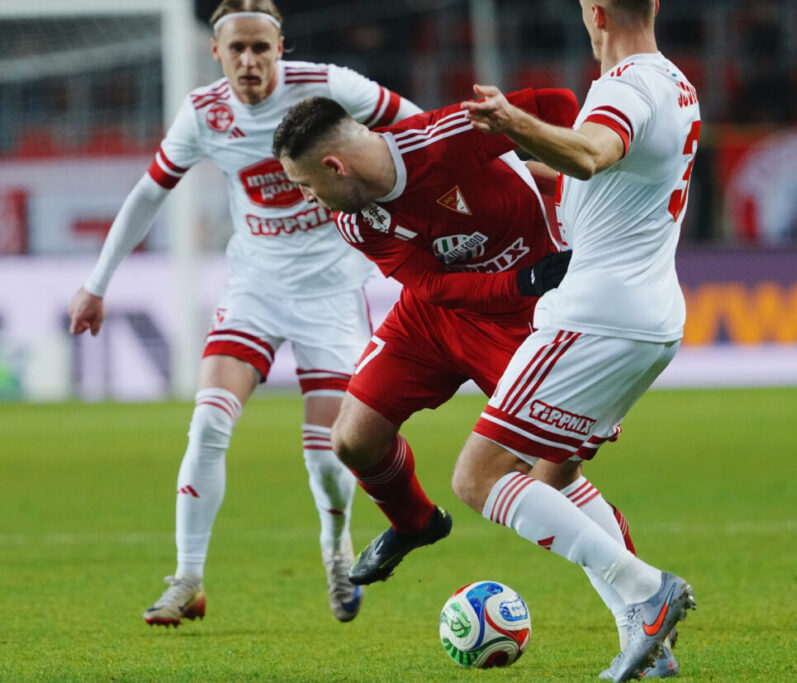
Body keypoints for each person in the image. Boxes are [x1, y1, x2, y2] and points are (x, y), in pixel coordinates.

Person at [272, 85, 679, 678]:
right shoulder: (354, 220)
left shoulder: (444, 139)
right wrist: (520, 279)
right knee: (352, 440)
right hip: (439, 313)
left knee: (553, 475)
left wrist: (567, 166)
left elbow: (556, 103)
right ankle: (415, 522)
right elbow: (431, 285)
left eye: (306, 184)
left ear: (335, 165)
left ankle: (640, 628)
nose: (307, 199)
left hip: (528, 320)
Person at [67, 0, 421, 627]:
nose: (249, 60)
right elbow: (150, 192)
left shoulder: (328, 86)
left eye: (261, 47)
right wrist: (96, 285)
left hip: (331, 293)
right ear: (217, 52)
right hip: (255, 287)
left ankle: (335, 547)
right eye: (237, 48)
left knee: (328, 453)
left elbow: (420, 126)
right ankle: (187, 579)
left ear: (280, 47)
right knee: (207, 424)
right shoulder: (204, 112)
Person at [376, 0, 699, 679]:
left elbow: (591, 153)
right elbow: (603, 175)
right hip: (653, 317)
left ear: (595, 12)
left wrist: (511, 121)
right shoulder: (676, 84)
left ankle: (646, 590)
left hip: (595, 314)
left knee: (478, 476)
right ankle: (648, 643)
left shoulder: (626, 88)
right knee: (556, 473)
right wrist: (510, 166)